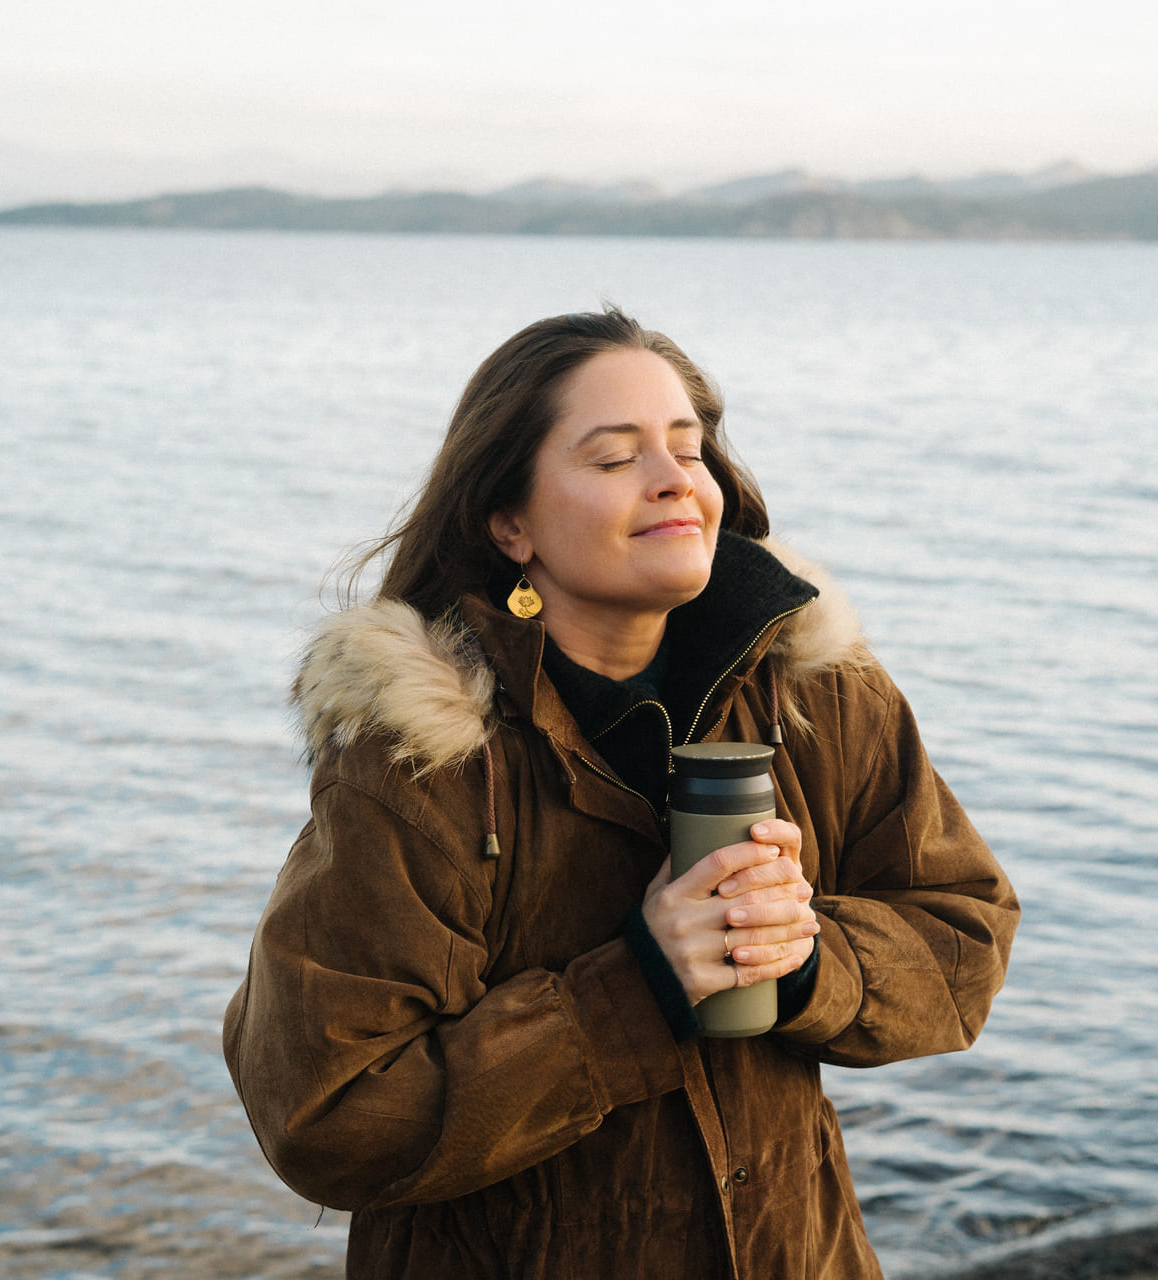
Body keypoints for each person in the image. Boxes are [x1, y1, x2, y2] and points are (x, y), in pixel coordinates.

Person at [223, 309, 1018, 1279]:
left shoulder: (816, 689)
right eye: (614, 458)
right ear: (509, 522)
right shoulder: (421, 755)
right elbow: (325, 1111)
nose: (677, 476)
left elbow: (965, 933)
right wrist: (638, 986)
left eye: (689, 448)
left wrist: (806, 959)